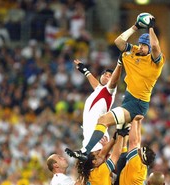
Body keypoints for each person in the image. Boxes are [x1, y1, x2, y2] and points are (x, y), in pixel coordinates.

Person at [65, 13, 164, 162]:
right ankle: (119, 170)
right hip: (129, 100)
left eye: (146, 46)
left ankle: (85, 151)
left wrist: (150, 28)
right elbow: (119, 42)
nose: (143, 48)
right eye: (142, 44)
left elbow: (156, 46)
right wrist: (135, 26)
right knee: (124, 138)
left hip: (138, 103)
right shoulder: (134, 52)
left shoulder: (156, 62)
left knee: (104, 120)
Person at [73, 59, 122, 152]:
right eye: (105, 74)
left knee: (98, 163)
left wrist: (119, 64)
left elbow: (113, 82)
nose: (106, 77)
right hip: (89, 135)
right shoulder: (99, 90)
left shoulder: (110, 90)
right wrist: (85, 71)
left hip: (98, 136)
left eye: (109, 76)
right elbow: (96, 84)